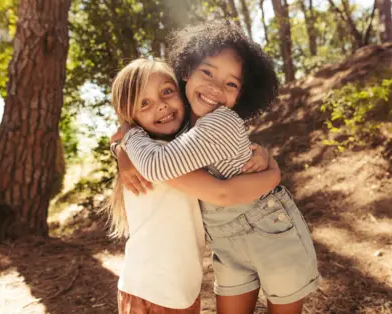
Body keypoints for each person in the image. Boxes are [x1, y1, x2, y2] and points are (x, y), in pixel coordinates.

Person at [114, 21, 321, 314]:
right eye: (208, 72)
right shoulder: (183, 125)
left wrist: (128, 134)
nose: (214, 87)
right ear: (187, 71)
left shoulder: (220, 121)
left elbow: (159, 166)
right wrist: (121, 148)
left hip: (270, 231)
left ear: (241, 96)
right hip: (225, 241)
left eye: (231, 83)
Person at [107, 58, 283, 314]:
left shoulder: (177, 150)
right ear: (130, 117)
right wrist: (274, 173)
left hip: (177, 291)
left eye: (167, 92)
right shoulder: (157, 162)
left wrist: (262, 154)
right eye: (144, 103)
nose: (161, 106)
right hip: (155, 293)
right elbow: (224, 192)